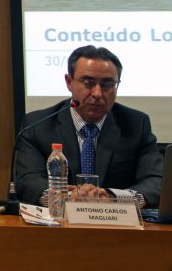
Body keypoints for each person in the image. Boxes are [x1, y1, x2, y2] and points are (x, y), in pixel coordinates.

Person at [14, 45, 162, 208]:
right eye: (88, 83)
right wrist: (68, 198)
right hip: (59, 219)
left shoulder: (136, 124)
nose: (97, 93)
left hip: (116, 219)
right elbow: (27, 182)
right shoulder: (38, 125)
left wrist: (114, 198)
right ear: (69, 82)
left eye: (107, 84)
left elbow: (156, 182)